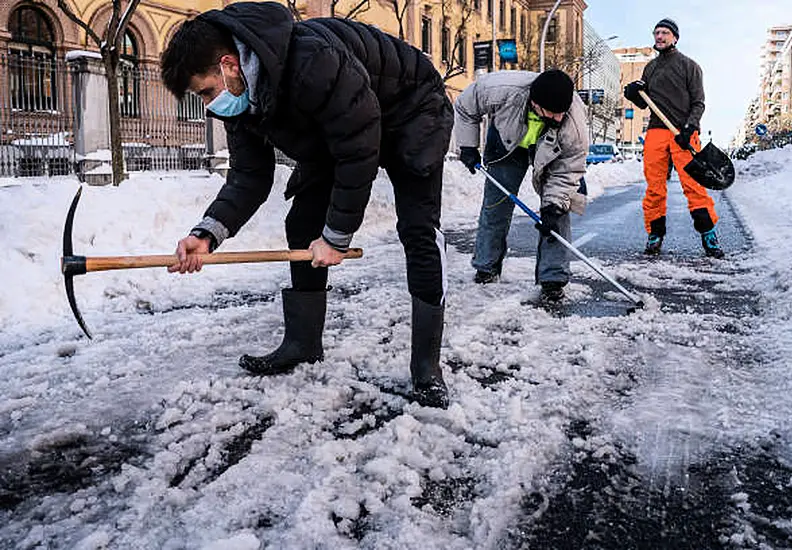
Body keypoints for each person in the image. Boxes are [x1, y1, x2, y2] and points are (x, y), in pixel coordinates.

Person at [160, 2, 454, 408]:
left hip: (411, 106)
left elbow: (358, 148)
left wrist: (336, 237)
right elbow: (249, 177)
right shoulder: (242, 95)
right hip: (343, 123)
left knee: (418, 229)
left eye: (206, 91)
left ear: (229, 65)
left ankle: (427, 367)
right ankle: (302, 342)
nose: (210, 104)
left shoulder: (312, 60)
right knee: (302, 224)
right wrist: (206, 234)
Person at [454, 69, 588, 302]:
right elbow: (465, 107)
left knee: (558, 213)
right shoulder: (499, 89)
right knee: (496, 205)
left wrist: (553, 206)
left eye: (561, 113)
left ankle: (553, 278)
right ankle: (486, 267)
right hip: (507, 140)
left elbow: (568, 170)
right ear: (535, 103)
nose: (558, 118)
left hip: (551, 152)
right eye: (553, 112)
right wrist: (468, 145)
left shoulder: (573, 123)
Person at [624, 18, 724, 258]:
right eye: (656, 32)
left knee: (694, 185)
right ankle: (655, 234)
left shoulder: (689, 66)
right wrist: (633, 94)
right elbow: (643, 101)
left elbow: (699, 102)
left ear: (675, 38)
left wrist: (690, 128)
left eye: (665, 32)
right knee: (655, 186)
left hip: (683, 132)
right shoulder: (650, 68)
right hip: (657, 131)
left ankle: (708, 234)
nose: (659, 36)